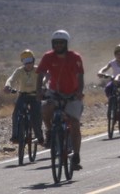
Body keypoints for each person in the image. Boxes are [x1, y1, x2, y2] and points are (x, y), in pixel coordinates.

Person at [38, 30, 85, 170]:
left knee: (75, 124)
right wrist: (39, 91)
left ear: (66, 44)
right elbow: (40, 73)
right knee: (45, 108)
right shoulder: (48, 57)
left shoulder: (75, 57)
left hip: (72, 93)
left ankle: (76, 155)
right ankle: (49, 131)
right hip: (54, 92)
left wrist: (79, 92)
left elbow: (80, 76)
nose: (58, 45)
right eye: (56, 43)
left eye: (61, 43)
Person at [4, 50, 43, 146]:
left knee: (36, 116)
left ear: (33, 61)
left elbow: (44, 79)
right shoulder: (19, 71)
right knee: (16, 115)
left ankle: (39, 136)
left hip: (35, 96)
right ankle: (15, 136)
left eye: (30, 61)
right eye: (25, 61)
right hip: (23, 96)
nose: (28, 64)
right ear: (23, 62)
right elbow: (11, 79)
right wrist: (8, 86)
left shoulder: (38, 70)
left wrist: (44, 87)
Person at [97, 45, 120, 131]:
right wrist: (100, 72)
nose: (119, 55)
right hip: (114, 81)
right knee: (108, 87)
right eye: (117, 54)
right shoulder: (112, 62)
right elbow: (105, 68)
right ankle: (111, 100)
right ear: (115, 55)